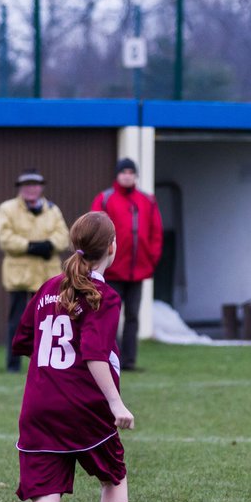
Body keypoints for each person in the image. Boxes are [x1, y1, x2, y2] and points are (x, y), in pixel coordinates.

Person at [10, 211, 154, 502]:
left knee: (45, 493)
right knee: (115, 477)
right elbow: (93, 354)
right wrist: (115, 403)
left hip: (38, 406)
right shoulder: (104, 295)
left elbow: (22, 341)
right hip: (84, 408)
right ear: (112, 248)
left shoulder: (48, 288)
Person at [90, 158, 162, 371]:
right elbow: (95, 229)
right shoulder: (105, 199)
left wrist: (151, 259)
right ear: (117, 175)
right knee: (109, 316)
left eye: (131, 172)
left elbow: (156, 232)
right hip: (112, 271)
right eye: (124, 172)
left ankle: (129, 360)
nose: (127, 175)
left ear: (136, 175)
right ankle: (111, 358)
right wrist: (101, 261)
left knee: (132, 316)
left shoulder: (147, 200)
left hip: (137, 272)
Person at [0, 168, 70, 372]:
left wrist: (48, 245)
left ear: (41, 187)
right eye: (27, 185)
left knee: (48, 321)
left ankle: (47, 361)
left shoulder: (52, 210)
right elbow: (6, 239)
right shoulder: (7, 209)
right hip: (19, 275)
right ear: (20, 188)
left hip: (47, 276)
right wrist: (31, 246)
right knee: (18, 322)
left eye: (34, 185)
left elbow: (63, 236)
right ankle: (13, 364)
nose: (31, 189)